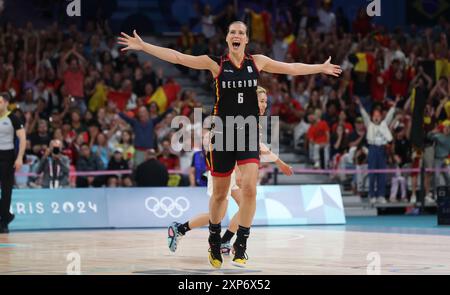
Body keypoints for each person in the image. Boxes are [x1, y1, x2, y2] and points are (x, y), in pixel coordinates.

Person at [118, 21, 341, 268]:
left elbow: (290, 67)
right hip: (222, 135)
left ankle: (241, 244)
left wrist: (320, 67)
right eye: (233, 32)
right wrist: (144, 46)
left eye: (241, 33)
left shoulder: (257, 62)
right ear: (227, 39)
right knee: (221, 195)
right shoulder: (216, 64)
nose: (237, 35)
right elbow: (178, 57)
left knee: (250, 190)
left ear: (246, 39)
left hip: (246, 134)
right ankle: (214, 240)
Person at [167, 87, 294, 255]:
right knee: (219, 213)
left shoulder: (253, 120)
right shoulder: (239, 117)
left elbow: (258, 146)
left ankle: (225, 239)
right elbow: (216, 140)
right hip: (221, 169)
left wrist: (280, 163)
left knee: (246, 207)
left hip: (232, 171)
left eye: (265, 102)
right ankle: (180, 229)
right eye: (261, 101)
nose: (264, 105)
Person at [355, 96, 400, 205]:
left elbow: (389, 115)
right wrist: (360, 105)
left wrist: (395, 104)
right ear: (372, 117)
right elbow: (364, 115)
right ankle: (372, 195)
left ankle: (380, 195)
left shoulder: (384, 124)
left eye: (378, 116)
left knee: (382, 174)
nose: (376, 117)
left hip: (382, 150)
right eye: (374, 116)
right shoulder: (369, 124)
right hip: (373, 149)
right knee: (372, 174)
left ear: (380, 117)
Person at [0, 92, 26, 233]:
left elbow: (22, 138)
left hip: (7, 157)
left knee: (6, 191)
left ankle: (4, 223)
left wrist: (19, 157)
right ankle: (7, 215)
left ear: (5, 103)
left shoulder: (13, 118)